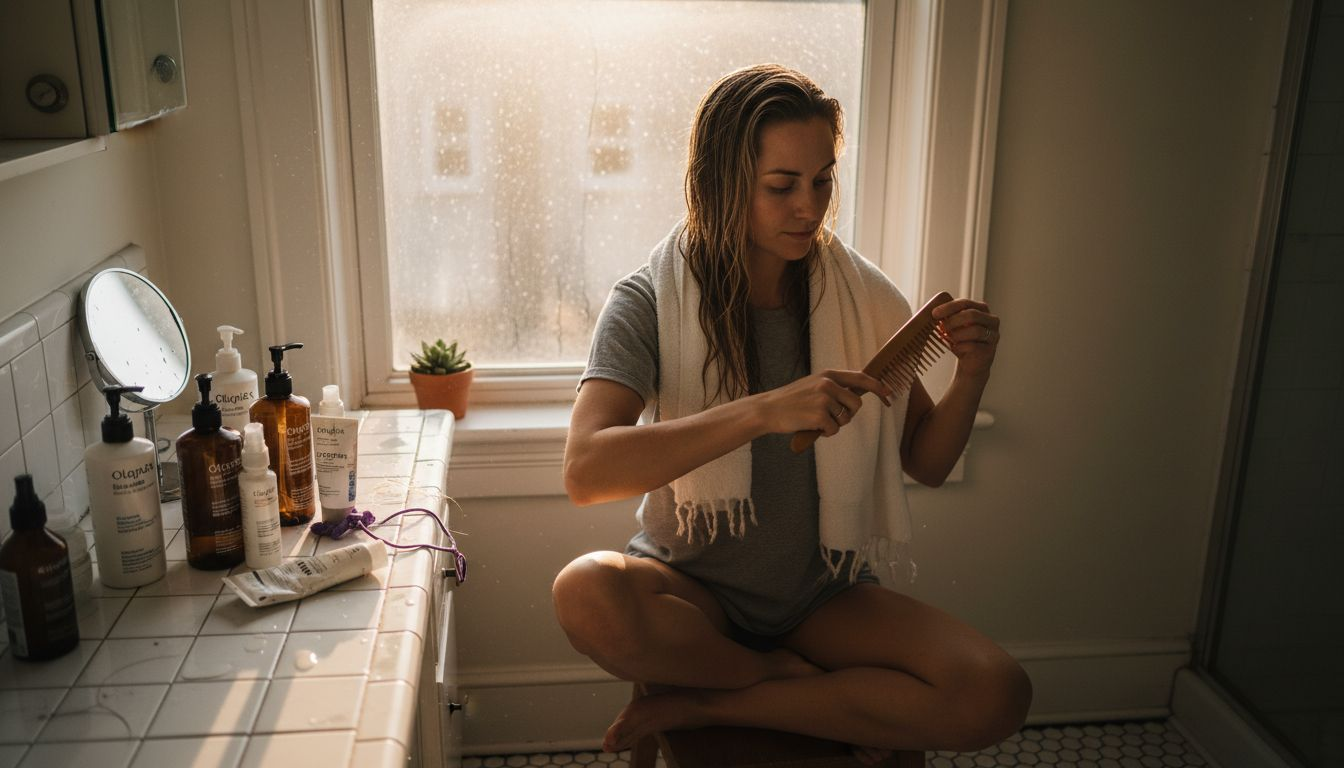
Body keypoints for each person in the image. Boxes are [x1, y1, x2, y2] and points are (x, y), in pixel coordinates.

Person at [552, 63, 1030, 761]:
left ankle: (706, 701)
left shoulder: (860, 297)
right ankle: (771, 677)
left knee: (996, 693)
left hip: (821, 597)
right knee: (585, 592)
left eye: (823, 180)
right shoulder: (650, 298)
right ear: (723, 182)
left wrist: (973, 374)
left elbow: (927, 462)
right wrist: (761, 411)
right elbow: (585, 471)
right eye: (782, 186)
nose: (810, 207)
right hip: (690, 590)